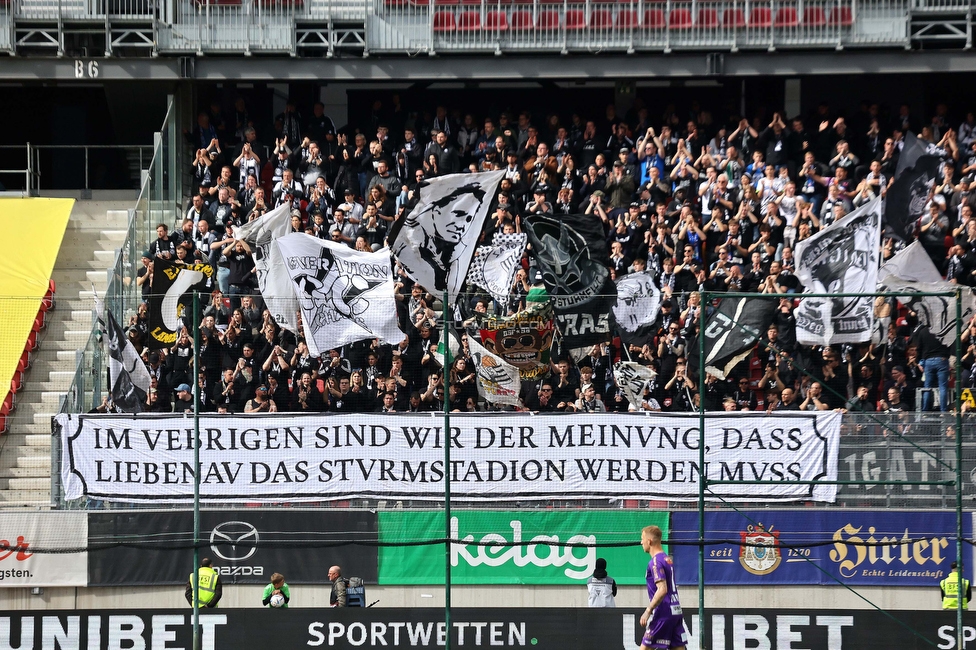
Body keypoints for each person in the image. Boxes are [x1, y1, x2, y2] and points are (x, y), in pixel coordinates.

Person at [639, 525, 687, 650]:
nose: (641, 542)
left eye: (642, 539)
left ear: (649, 541)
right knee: (678, 647)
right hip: (675, 611)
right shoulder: (667, 559)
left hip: (663, 612)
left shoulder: (655, 562)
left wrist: (648, 611)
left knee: (645, 648)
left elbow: (662, 589)